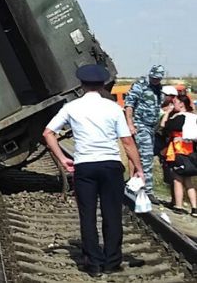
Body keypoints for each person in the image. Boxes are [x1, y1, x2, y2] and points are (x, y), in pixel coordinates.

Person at [43, 64, 144, 277]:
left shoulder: (72, 108)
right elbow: (126, 141)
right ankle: (112, 261)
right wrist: (138, 167)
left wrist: (63, 159)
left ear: (81, 84)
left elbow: (48, 133)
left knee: (87, 215)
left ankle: (94, 263)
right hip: (111, 166)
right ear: (102, 85)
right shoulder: (113, 108)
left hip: (85, 167)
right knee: (112, 214)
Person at [125, 64, 165, 203]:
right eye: (154, 78)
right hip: (140, 125)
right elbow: (129, 105)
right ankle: (147, 190)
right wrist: (130, 124)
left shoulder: (159, 88)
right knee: (146, 157)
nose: (156, 80)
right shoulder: (140, 85)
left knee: (144, 157)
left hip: (151, 127)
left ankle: (135, 186)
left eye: (158, 79)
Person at [161, 95, 197, 216]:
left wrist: (168, 113)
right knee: (189, 181)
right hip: (190, 151)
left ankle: (179, 206)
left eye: (175, 102)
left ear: (181, 104)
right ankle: (195, 208)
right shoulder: (193, 117)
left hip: (178, 150)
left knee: (177, 179)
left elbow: (164, 126)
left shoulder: (179, 117)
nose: (173, 104)